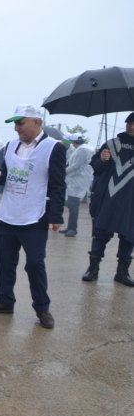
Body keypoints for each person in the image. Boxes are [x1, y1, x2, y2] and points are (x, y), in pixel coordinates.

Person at [0, 104, 66, 329]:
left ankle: (42, 308)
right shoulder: (10, 146)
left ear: (37, 122)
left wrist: (55, 215)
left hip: (35, 217)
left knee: (35, 264)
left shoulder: (53, 148)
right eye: (15, 124)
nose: (17, 128)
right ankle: (4, 300)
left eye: (21, 123)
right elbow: (3, 177)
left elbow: (58, 184)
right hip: (9, 214)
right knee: (5, 261)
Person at [81, 112, 134, 286]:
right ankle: (93, 269)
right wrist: (103, 160)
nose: (132, 126)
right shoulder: (112, 144)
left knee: (129, 236)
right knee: (101, 233)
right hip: (109, 197)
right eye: (129, 123)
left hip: (131, 200)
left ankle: (122, 272)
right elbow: (96, 168)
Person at [59, 133, 93, 237]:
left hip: (78, 182)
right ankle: (70, 227)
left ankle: (72, 229)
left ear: (73, 142)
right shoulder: (82, 148)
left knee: (73, 206)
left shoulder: (82, 150)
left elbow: (76, 166)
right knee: (71, 205)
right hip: (75, 181)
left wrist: (62, 172)